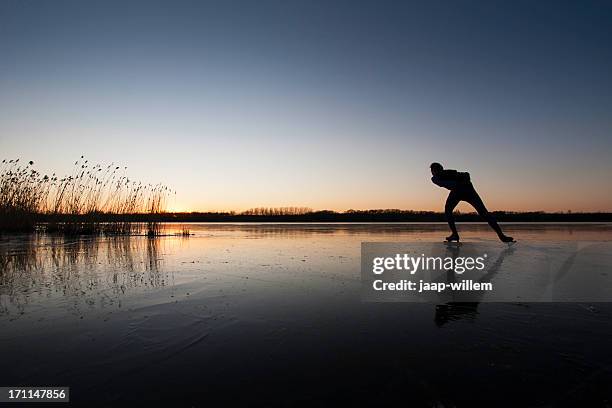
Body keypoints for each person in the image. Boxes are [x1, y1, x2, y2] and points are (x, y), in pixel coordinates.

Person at [430, 162, 514, 242]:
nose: (433, 173)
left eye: (434, 170)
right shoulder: (435, 179)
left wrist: (462, 182)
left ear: (440, 169)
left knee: (484, 213)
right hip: (456, 192)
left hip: (468, 191)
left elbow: (466, 174)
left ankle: (501, 236)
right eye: (432, 171)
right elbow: (450, 183)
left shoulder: (449, 172)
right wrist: (458, 183)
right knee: (448, 211)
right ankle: (455, 234)